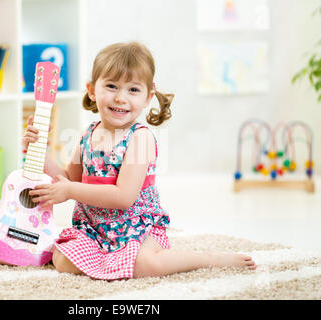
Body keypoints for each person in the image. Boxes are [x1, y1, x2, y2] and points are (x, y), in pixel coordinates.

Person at [22, 41, 256, 280]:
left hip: (136, 227)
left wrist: (69, 190)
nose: (121, 98)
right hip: (94, 227)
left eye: (133, 90)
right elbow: (69, 178)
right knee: (61, 259)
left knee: (147, 265)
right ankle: (107, 257)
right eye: (112, 86)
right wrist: (38, 152)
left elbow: (124, 197)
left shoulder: (140, 138)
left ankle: (208, 259)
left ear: (148, 97)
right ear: (92, 90)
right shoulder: (87, 134)